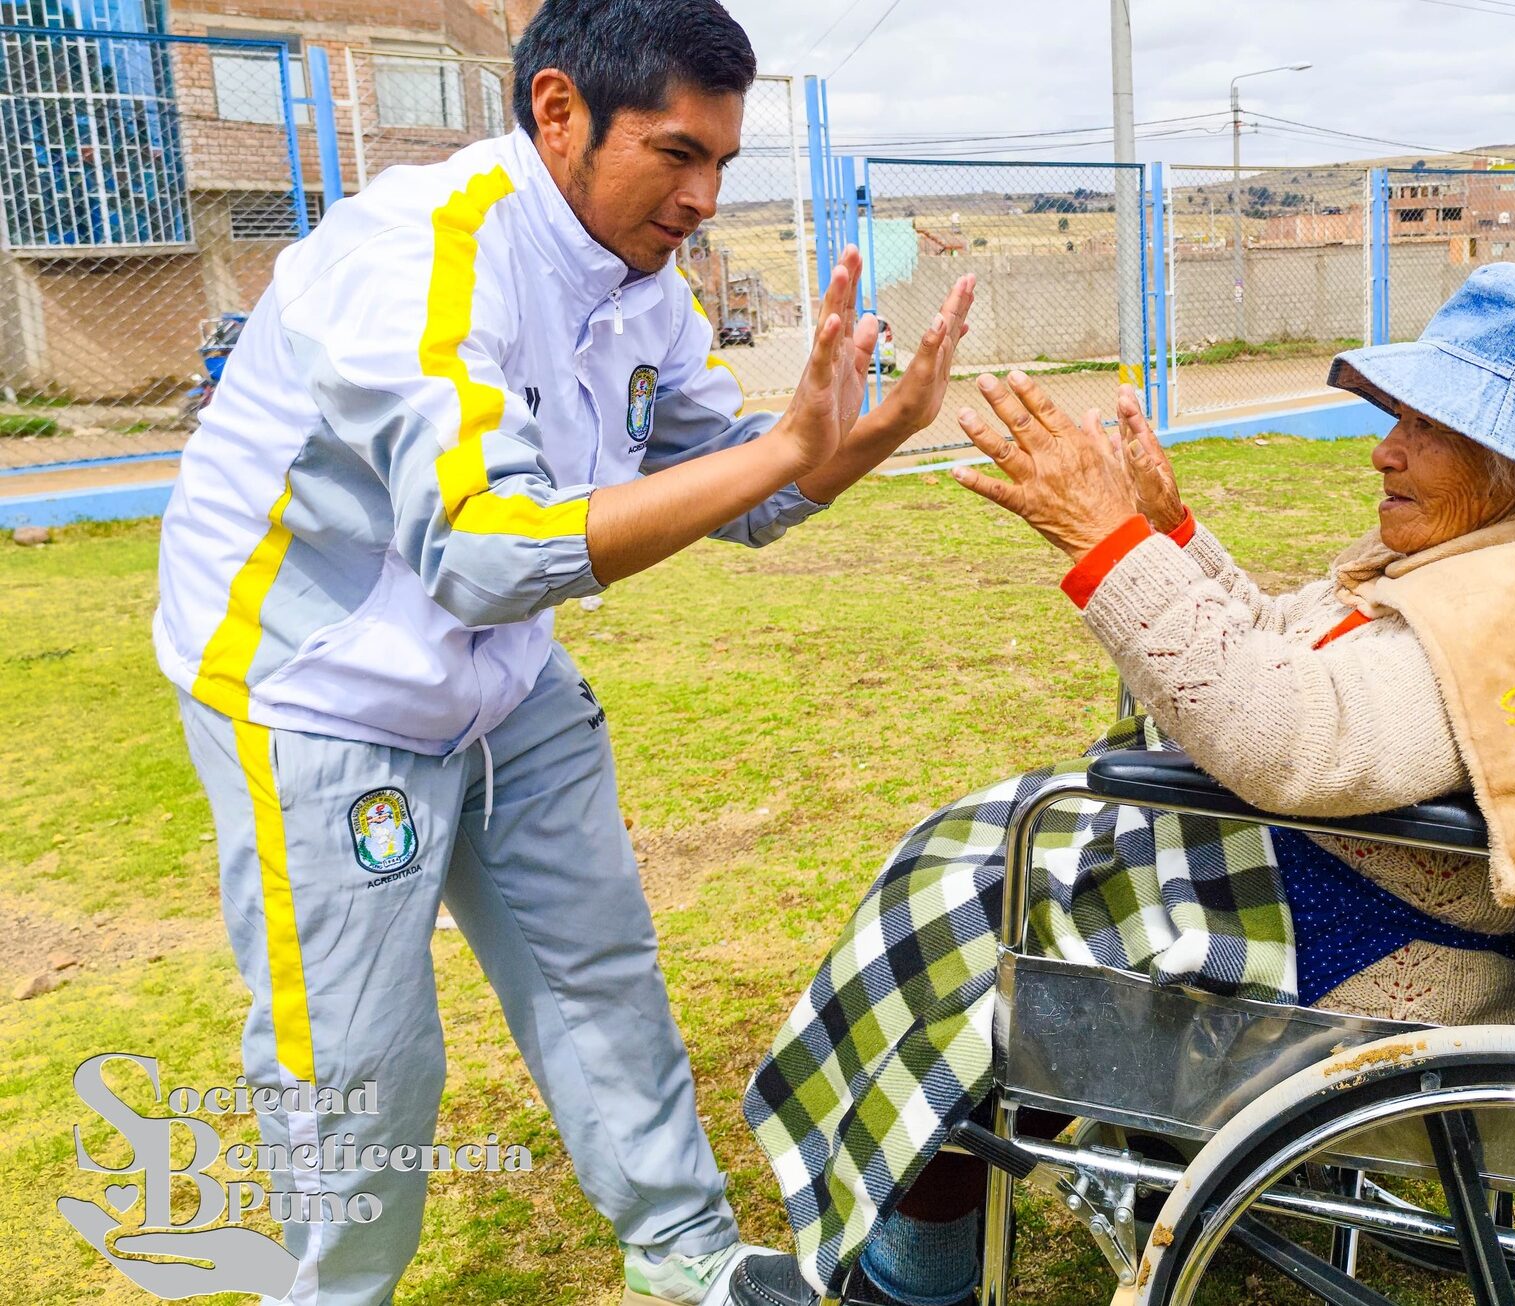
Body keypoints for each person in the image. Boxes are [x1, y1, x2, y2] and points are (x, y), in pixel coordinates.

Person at [152, 1, 973, 1302]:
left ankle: (681, 1249)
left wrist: (862, 432)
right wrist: (780, 451)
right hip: (321, 690)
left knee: (595, 959)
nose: (703, 196)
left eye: (720, 160)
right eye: (674, 153)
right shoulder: (420, 258)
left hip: (503, 676)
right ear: (555, 111)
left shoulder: (634, 277)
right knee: (360, 1059)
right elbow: (480, 548)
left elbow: (744, 489)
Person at [735, 264, 1515, 1306]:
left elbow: (1284, 734)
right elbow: (1293, 653)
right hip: (1362, 890)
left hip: (1348, 948)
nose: (1384, 447)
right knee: (979, 857)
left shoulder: (1509, 603)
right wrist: (1169, 533)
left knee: (963, 912)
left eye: (1426, 426)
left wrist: (1106, 542)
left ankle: (916, 1275)